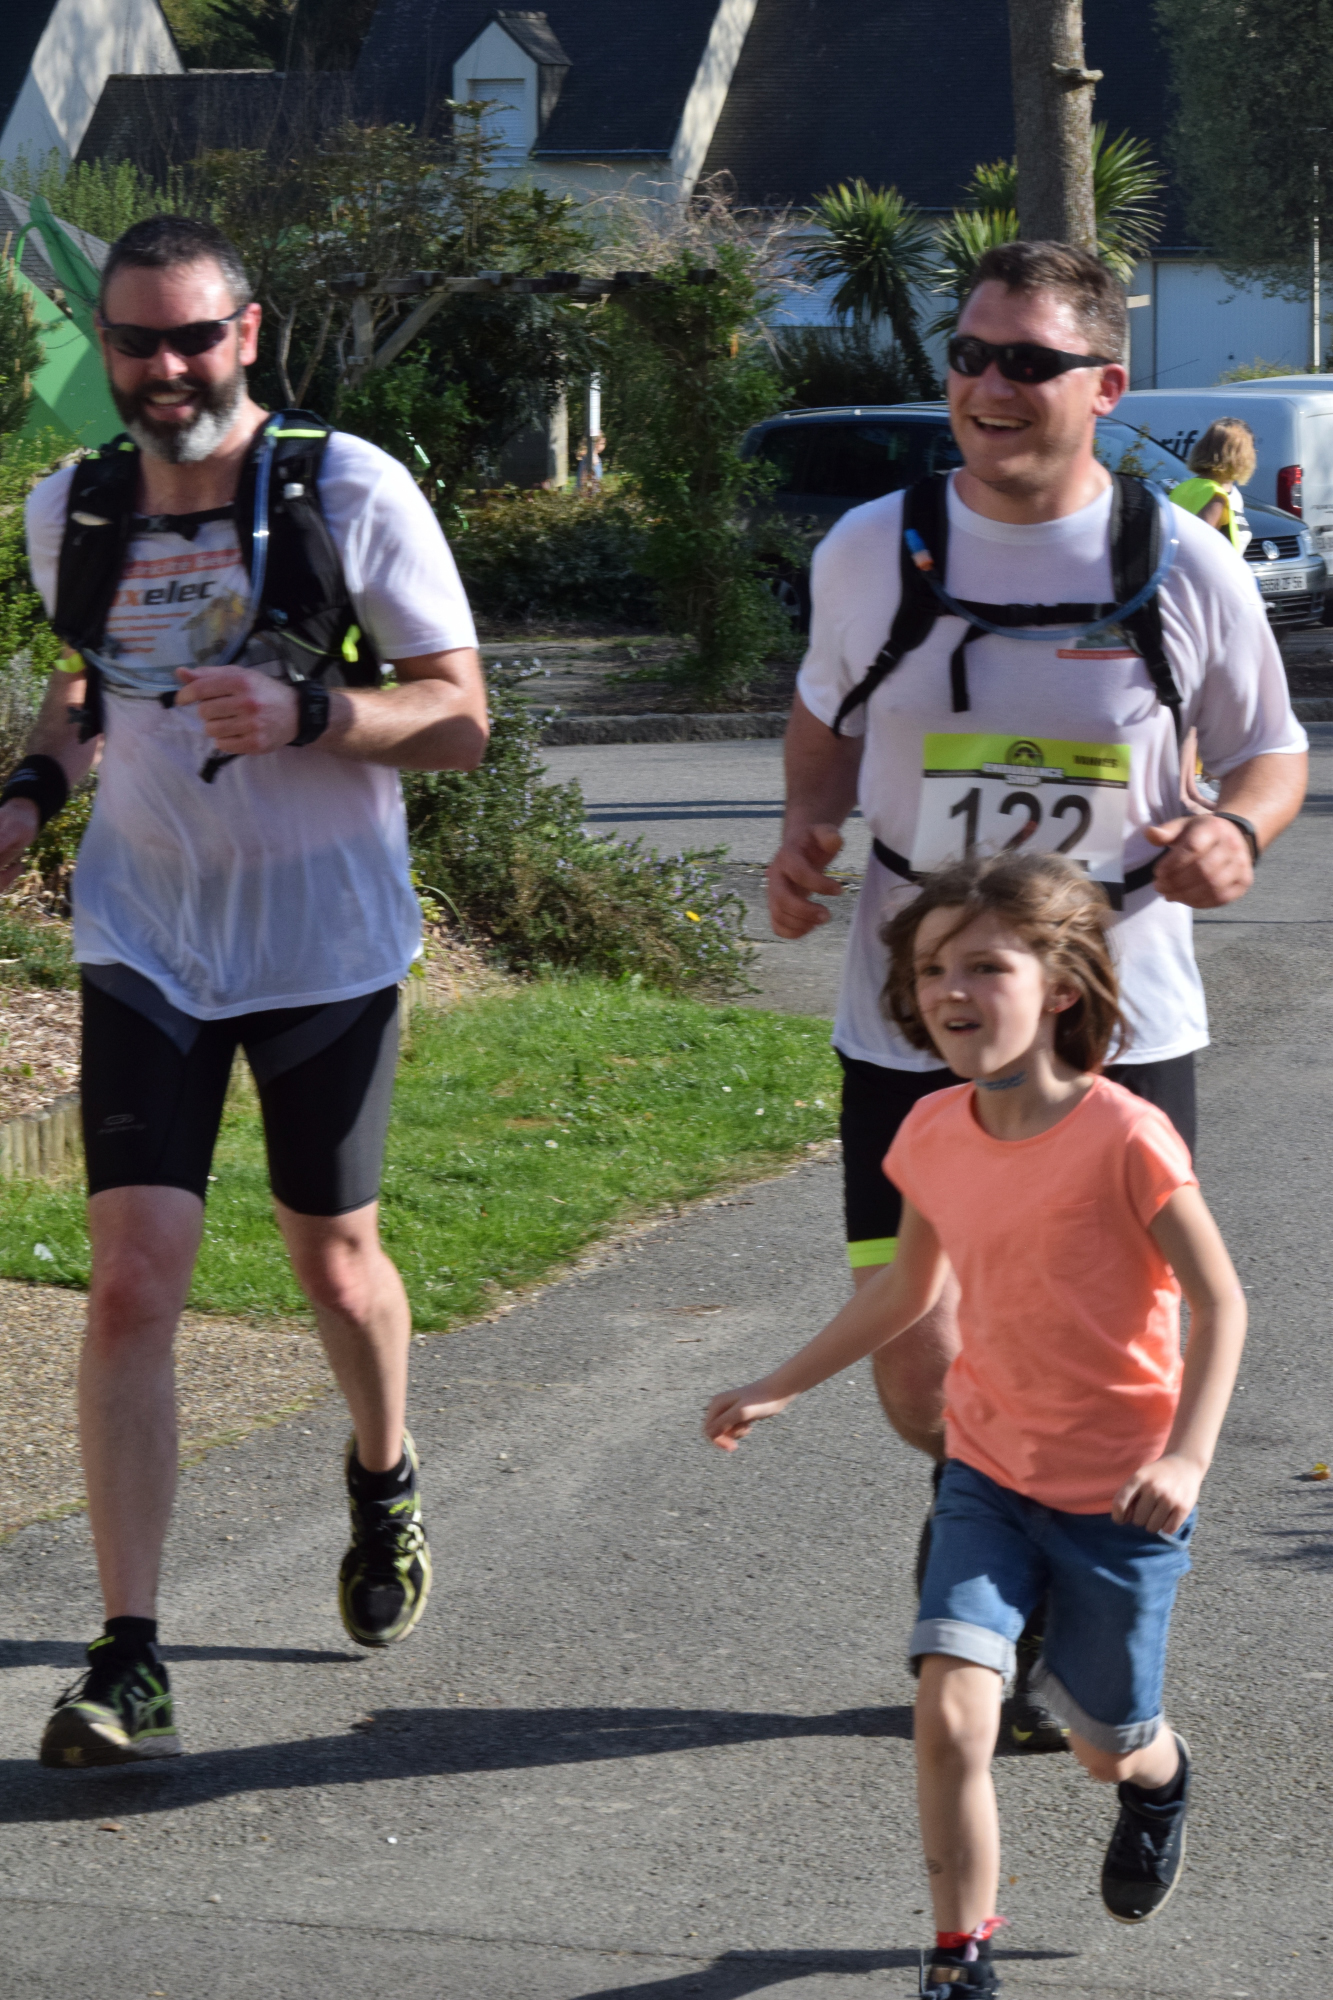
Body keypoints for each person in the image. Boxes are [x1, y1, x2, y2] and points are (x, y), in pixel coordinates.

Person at [765, 241, 1304, 1748]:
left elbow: (1271, 752)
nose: (987, 386)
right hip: (911, 1017)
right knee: (918, 1361)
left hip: (1115, 1025)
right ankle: (987, 1528)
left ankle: (1004, 1603)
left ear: (1105, 385)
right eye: (970, 355)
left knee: (1099, 1352)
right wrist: (802, 832)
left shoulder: (1178, 561)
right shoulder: (872, 548)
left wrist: (1235, 830)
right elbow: (820, 717)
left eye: (1027, 362)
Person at [7, 214, 488, 1768]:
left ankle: (383, 1472)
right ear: (106, 347)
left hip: (322, 942)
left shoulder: (347, 489)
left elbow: (459, 716)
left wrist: (312, 713)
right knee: (134, 1277)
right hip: (147, 937)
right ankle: (129, 1656)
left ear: (248, 334)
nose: (165, 370)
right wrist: (30, 790)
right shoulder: (72, 508)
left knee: (332, 1261)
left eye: (193, 338)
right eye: (135, 341)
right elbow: (88, 684)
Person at [706, 851, 1246, 1994]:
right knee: (952, 1711)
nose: (951, 987)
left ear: (1059, 985)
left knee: (1104, 1746)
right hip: (988, 1470)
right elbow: (907, 1289)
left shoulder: (1125, 1135)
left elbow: (1220, 1300)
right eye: (931, 967)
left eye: (986, 965)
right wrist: (781, 1381)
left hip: (1118, 1494)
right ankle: (960, 1959)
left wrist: (1187, 1455)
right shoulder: (930, 1130)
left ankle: (1159, 1777)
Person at [1168, 417, 1257, 551]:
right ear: (1238, 455)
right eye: (1250, 449)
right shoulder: (1216, 496)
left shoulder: (1182, 488)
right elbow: (1199, 552)